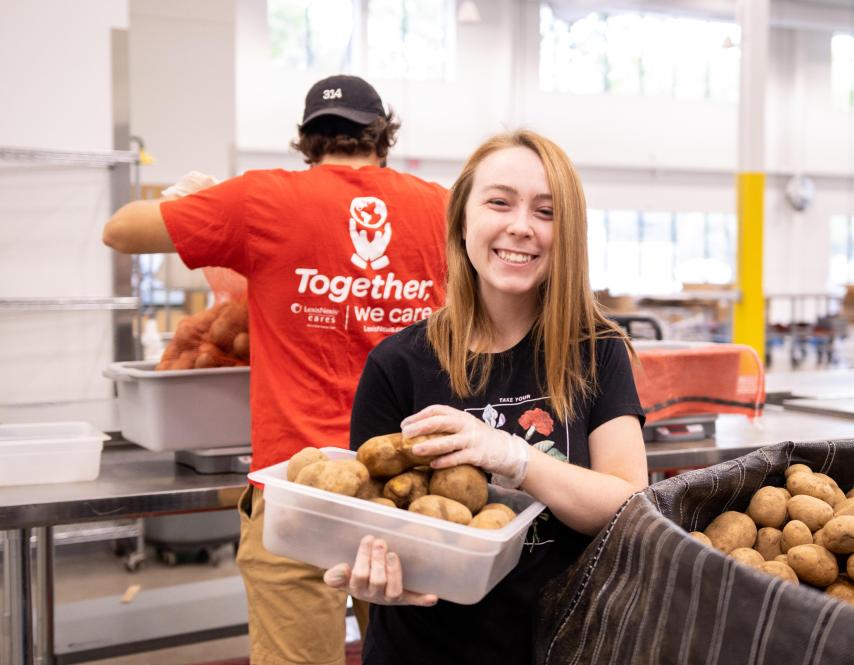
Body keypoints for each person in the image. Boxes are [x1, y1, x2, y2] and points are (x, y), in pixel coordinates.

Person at [102, 75, 449, 665]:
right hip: (414, 486)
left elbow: (120, 230)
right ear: (382, 136)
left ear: (308, 141)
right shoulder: (441, 206)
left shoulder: (260, 200)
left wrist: (188, 203)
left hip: (299, 486)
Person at [328, 130, 649, 663]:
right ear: (462, 218)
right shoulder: (397, 363)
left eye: (546, 212)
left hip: (563, 645)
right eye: (499, 202)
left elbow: (627, 503)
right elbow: (373, 519)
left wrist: (512, 456)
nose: (520, 227)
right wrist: (369, 576)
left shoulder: (598, 351)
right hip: (423, 650)